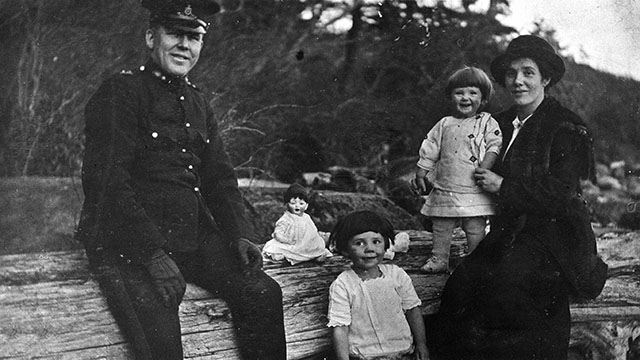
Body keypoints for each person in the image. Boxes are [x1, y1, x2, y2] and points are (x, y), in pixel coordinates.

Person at [75, 1, 286, 359]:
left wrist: (240, 234)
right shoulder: (121, 92)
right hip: (129, 245)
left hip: (191, 237)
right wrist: (150, 253)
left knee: (262, 291)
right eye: (175, 33)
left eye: (195, 37)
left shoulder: (198, 102)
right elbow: (107, 182)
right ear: (150, 36)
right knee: (161, 331)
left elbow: (219, 177)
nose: (184, 46)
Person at [426, 35, 603, 360]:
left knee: (512, 287)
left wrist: (502, 187)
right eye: (511, 73)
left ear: (545, 78)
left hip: (556, 237)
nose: (517, 81)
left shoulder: (565, 126)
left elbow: (562, 194)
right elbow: (465, 164)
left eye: (528, 72)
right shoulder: (498, 122)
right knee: (461, 285)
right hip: (509, 233)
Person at [414, 66, 502, 273]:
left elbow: (494, 145)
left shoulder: (487, 122)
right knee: (441, 225)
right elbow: (430, 148)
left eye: (473, 93)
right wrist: (421, 172)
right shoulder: (444, 124)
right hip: (446, 186)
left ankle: (475, 260)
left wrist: (485, 168)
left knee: (474, 227)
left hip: (474, 188)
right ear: (451, 96)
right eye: (459, 92)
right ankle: (439, 258)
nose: (465, 98)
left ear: (483, 98)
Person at [327, 211, 429, 360]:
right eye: (359, 243)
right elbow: (340, 328)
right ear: (345, 248)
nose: (369, 248)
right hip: (365, 356)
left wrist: (421, 344)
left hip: (404, 353)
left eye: (376, 241)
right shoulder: (343, 285)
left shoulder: (396, 274)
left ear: (386, 244)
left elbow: (413, 310)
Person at [262, 183, 332, 264]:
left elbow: (313, 230)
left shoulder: (306, 217)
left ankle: (316, 254)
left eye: (301, 203)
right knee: (274, 247)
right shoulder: (286, 219)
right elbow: (277, 234)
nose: (297, 206)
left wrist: (315, 239)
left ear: (306, 206)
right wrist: (287, 240)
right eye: (293, 203)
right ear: (287, 204)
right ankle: (282, 255)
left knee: (319, 245)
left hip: (306, 244)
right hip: (292, 244)